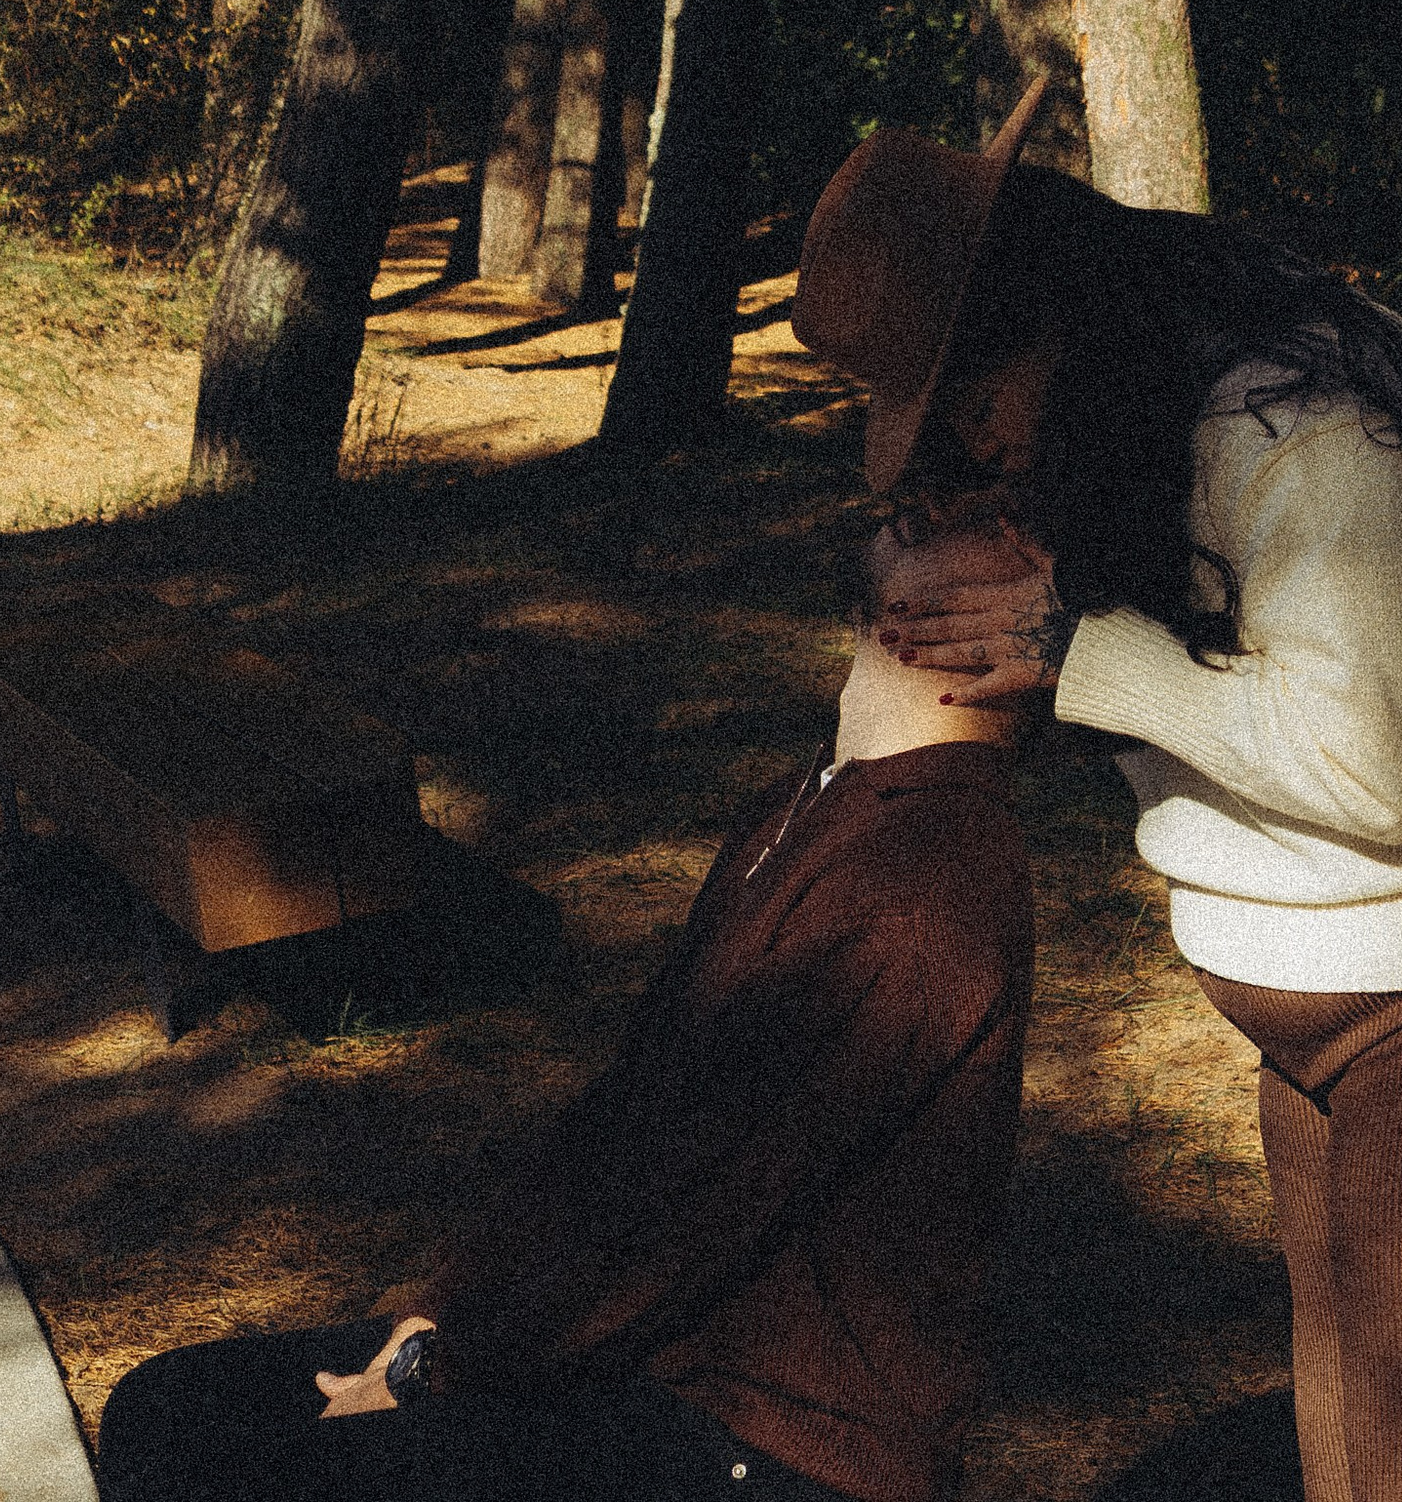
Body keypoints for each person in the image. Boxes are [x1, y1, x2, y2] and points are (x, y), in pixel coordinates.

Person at [792, 80, 1402, 1502]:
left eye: (972, 407)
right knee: (1356, 1456)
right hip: (1339, 1011)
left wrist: (1075, 651)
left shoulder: (1306, 428)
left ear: (1056, 318)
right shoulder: (1130, 420)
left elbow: (1372, 773)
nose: (975, 450)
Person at [93, 519, 1038, 1502]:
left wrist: (444, 1364)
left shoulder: (927, 877)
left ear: (1011, 629)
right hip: (655, 1357)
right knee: (177, 1405)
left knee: (237, 1458)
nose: (954, 494)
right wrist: (440, 1313)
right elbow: (625, 1131)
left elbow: (689, 1202)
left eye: (1019, 522)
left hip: (774, 1441)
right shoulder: (818, 803)